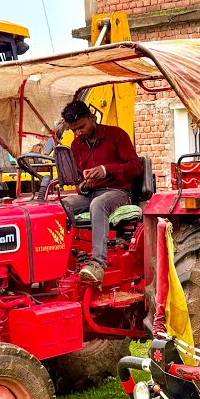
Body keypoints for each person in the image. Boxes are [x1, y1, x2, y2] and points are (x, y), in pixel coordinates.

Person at [59, 100, 143, 283]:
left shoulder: (117, 135)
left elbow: (136, 167)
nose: (78, 133)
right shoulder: (76, 146)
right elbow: (79, 182)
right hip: (90, 194)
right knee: (61, 206)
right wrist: (83, 185)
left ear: (92, 118)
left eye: (81, 127)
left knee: (98, 204)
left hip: (118, 192)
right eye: (74, 130)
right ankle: (67, 259)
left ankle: (98, 265)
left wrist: (106, 169)